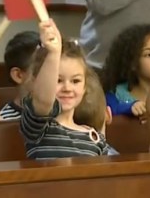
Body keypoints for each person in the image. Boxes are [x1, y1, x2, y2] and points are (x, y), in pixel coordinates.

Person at [20, 20, 111, 159]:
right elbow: (43, 101)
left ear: (85, 85)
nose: (67, 88)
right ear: (36, 83)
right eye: (58, 80)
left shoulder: (94, 138)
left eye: (75, 81)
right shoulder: (39, 128)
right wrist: (53, 53)